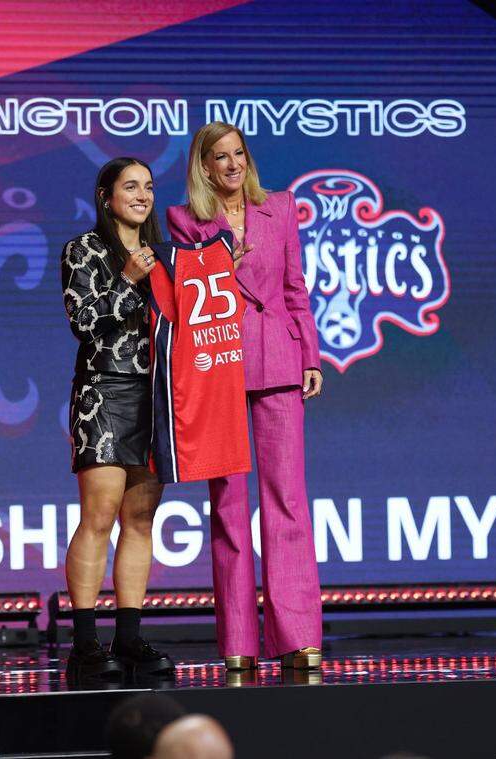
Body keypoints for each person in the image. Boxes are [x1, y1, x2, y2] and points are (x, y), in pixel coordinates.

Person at [167, 122, 324, 672]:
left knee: (287, 501)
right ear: (204, 167)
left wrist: (309, 355)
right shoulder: (184, 219)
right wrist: (222, 263)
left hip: (279, 359)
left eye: (239, 154)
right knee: (229, 508)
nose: (232, 164)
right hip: (221, 368)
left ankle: (298, 636)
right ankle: (239, 640)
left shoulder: (280, 207)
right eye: (220, 157)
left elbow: (293, 287)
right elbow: (191, 295)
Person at [61, 157, 174, 682]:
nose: (142, 195)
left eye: (148, 187)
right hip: (104, 390)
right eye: (131, 186)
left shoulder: (166, 254)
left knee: (140, 519)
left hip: (155, 395)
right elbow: (84, 322)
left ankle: (128, 639)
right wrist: (129, 280)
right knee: (99, 517)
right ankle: (85, 645)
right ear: (106, 196)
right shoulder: (83, 249)